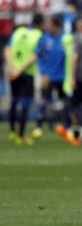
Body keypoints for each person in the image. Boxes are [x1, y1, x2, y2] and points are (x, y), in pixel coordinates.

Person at [4, 13, 43, 145]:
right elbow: (34, 55)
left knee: (14, 101)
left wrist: (12, 68)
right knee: (25, 103)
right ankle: (21, 134)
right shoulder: (39, 36)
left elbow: (7, 49)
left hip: (13, 71)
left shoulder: (17, 32)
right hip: (26, 73)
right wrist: (20, 70)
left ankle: (12, 131)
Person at [34, 15, 69, 136]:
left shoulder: (65, 39)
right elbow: (38, 56)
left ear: (55, 25)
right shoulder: (43, 39)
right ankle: (39, 127)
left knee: (64, 102)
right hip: (48, 77)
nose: (46, 26)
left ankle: (66, 126)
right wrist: (43, 73)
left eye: (48, 23)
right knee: (44, 101)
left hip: (62, 77)